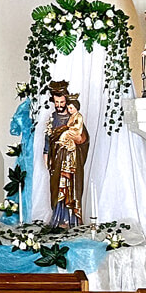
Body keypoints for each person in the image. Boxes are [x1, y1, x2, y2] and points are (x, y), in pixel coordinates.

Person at [43, 80, 88, 228]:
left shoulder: (74, 117)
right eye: (56, 102)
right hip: (56, 158)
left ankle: (72, 220)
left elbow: (83, 138)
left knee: (70, 187)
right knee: (57, 188)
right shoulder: (52, 118)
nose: (59, 105)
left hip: (71, 158)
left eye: (62, 101)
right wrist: (46, 155)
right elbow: (48, 138)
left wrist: (77, 139)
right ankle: (59, 218)